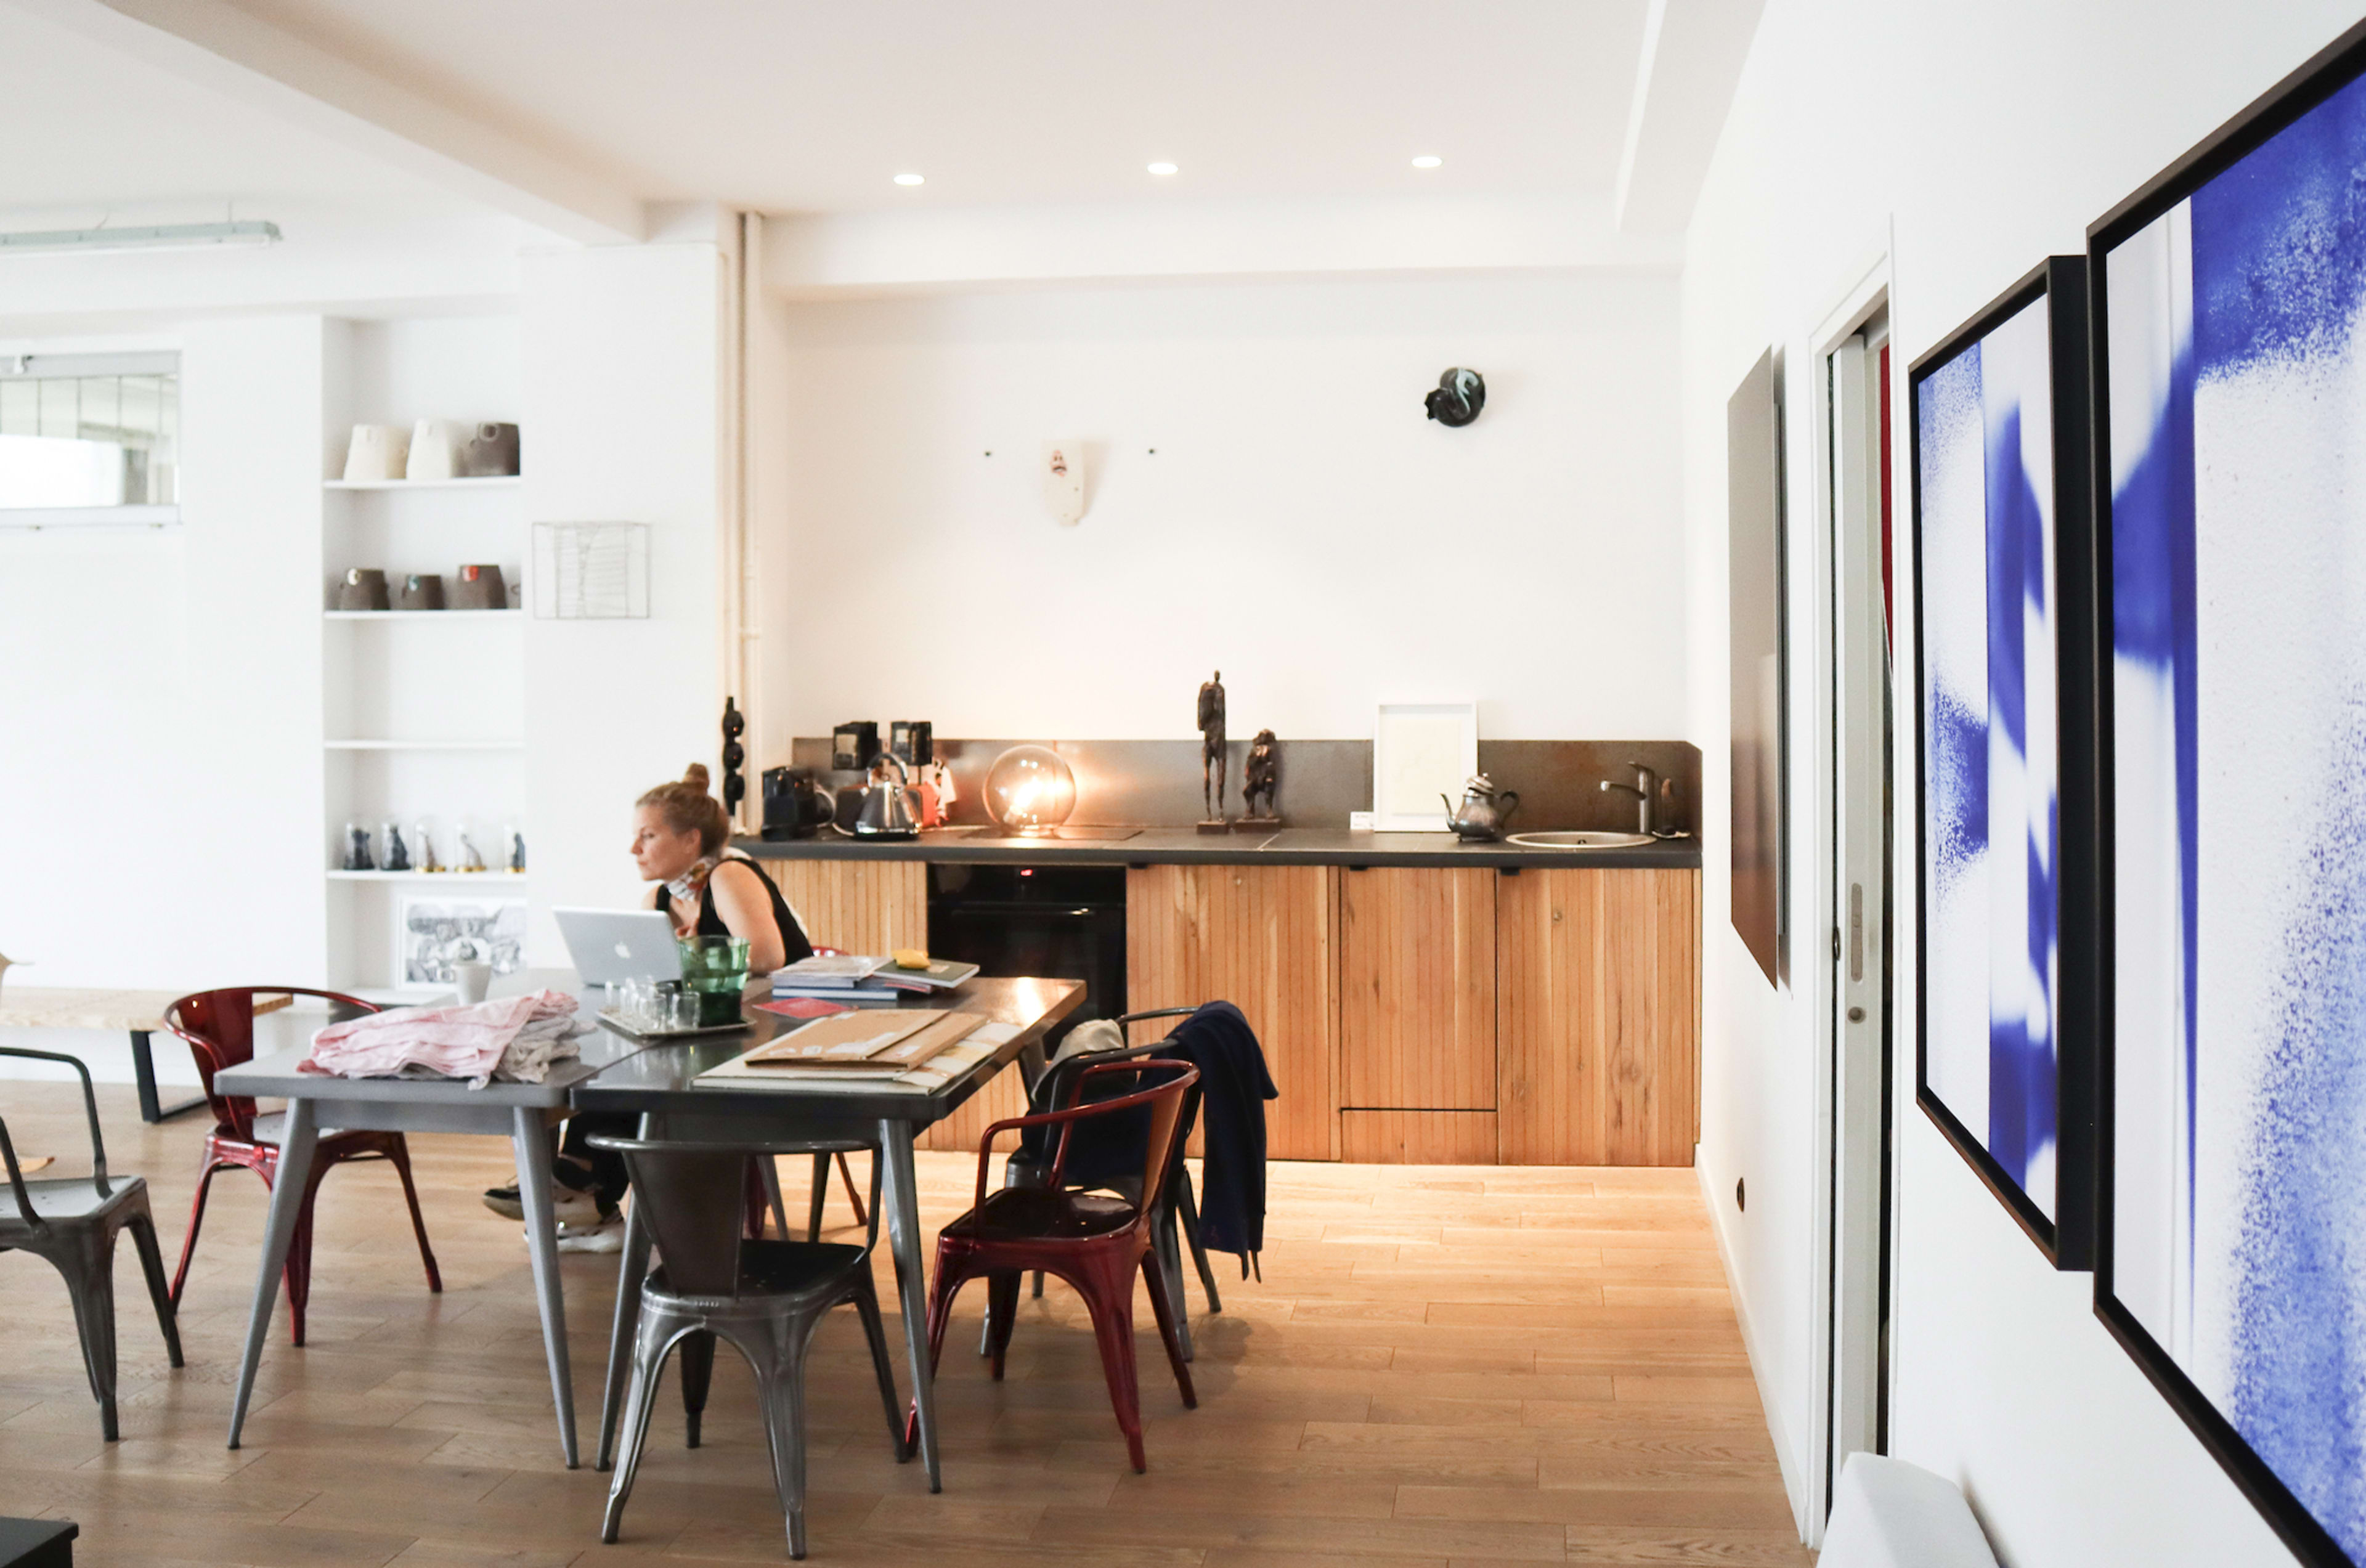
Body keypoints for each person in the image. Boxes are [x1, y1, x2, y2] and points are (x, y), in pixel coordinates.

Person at [484, 763, 814, 1250]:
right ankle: (584, 1195)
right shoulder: (657, 898)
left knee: (639, 1067)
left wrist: (686, 953)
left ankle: (581, 1191)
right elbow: (653, 978)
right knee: (619, 1060)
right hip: (717, 1037)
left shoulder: (730, 875)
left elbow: (766, 958)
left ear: (689, 840)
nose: (634, 849)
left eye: (648, 835)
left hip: (781, 1035)